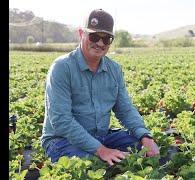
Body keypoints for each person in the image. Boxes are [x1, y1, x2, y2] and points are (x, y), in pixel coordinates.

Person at [40, 9, 159, 165]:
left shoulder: (114, 69)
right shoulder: (62, 68)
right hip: (63, 140)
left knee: (144, 152)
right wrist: (102, 150)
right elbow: (61, 120)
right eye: (94, 36)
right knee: (95, 165)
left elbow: (125, 109)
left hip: (102, 137)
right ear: (81, 33)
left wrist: (145, 137)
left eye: (107, 39)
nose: (100, 43)